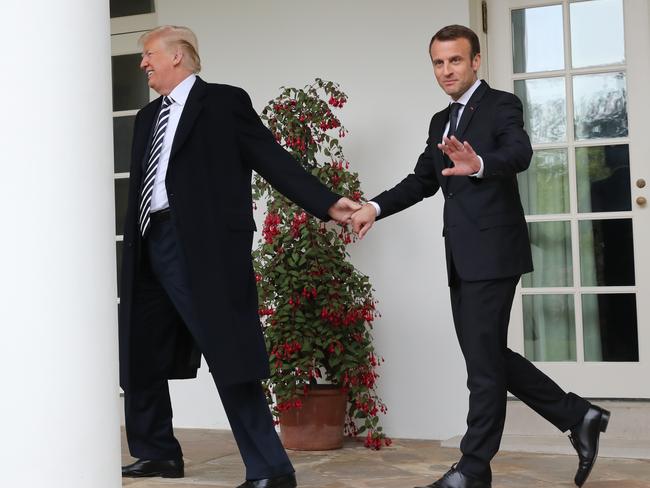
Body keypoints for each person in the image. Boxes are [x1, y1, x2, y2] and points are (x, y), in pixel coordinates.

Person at [350, 25, 609, 488]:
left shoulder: (501, 105)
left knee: (482, 369)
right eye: (438, 62)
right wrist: (374, 206)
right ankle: (578, 415)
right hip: (462, 256)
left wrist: (481, 164)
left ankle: (472, 469)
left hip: (494, 252)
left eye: (455, 60)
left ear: (476, 61)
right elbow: (423, 180)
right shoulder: (440, 122)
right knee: (484, 356)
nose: (446, 70)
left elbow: (519, 152)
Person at [118, 25, 360, 488]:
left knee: (228, 353)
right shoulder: (147, 117)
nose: (143, 63)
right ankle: (157, 453)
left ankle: (270, 468)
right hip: (150, 242)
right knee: (140, 349)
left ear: (178, 57)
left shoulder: (224, 102)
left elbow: (272, 158)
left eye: (149, 54)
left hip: (203, 248)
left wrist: (327, 203)